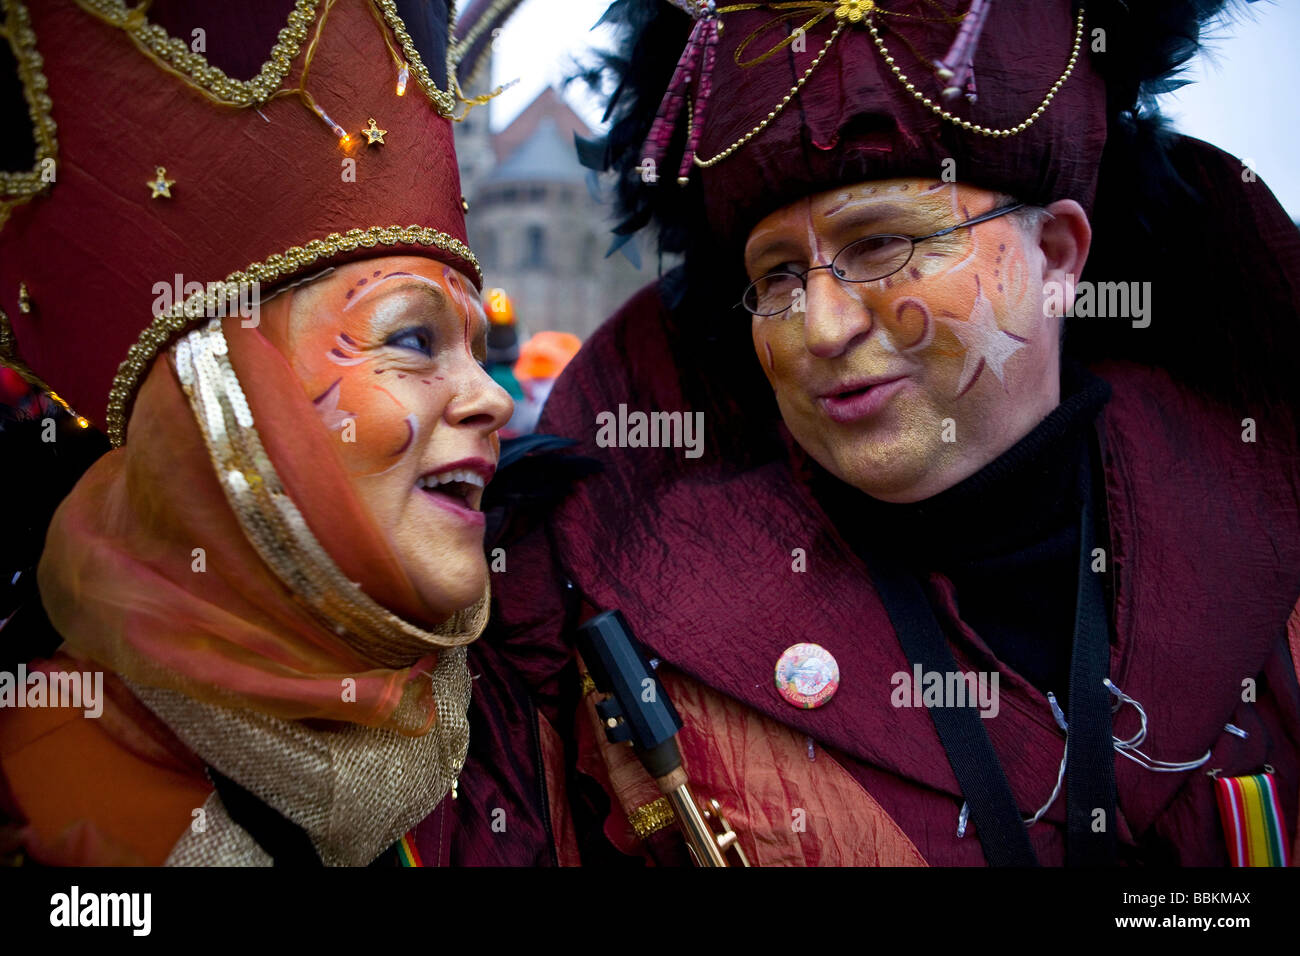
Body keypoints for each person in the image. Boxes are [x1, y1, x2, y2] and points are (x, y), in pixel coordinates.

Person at [461, 0, 1300, 866]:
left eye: (884, 244)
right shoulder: (596, 625)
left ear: (1055, 257)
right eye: (778, 274)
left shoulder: (1271, 562)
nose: (820, 328)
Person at [0, 0, 512, 866]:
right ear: (222, 407)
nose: (491, 400)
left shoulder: (505, 714)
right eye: (413, 338)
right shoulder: (43, 793)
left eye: (477, 350)